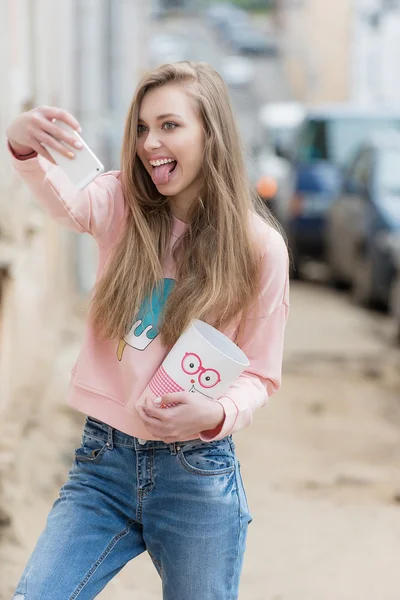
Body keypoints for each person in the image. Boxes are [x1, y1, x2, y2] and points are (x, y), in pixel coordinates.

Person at [5, 61, 289, 600]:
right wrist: (22, 145)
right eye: (141, 127)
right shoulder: (119, 205)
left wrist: (218, 413)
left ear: (212, 133)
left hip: (196, 473)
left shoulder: (260, 249)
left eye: (169, 125)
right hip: (102, 463)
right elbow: (63, 201)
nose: (149, 142)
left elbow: (260, 372)